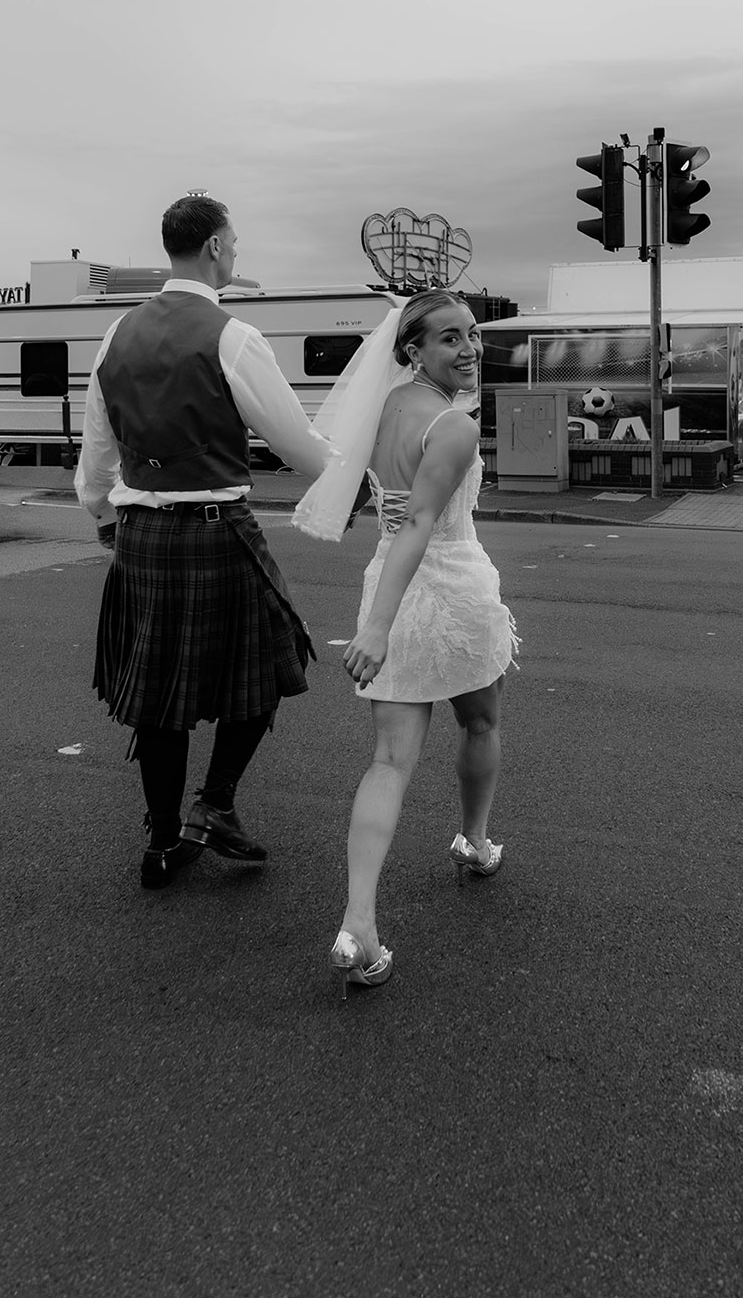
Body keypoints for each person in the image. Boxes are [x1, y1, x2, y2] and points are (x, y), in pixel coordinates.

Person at [75, 196, 333, 889]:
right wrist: (357, 477)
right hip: (218, 530)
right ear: (215, 247)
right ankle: (213, 804)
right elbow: (297, 443)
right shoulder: (234, 336)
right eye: (235, 243)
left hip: (142, 537)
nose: (236, 253)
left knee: (159, 693)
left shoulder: (113, 336)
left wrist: (102, 513)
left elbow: (96, 453)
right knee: (273, 661)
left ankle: (161, 844)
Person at [294, 291, 518, 998]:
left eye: (474, 334)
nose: (470, 348)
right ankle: (474, 840)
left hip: (385, 578)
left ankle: (358, 920)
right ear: (413, 350)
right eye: (450, 338)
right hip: (450, 589)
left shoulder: (386, 408)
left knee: (389, 760)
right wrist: (377, 628)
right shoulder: (451, 424)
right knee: (481, 719)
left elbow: (390, 510)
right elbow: (422, 522)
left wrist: (378, 615)